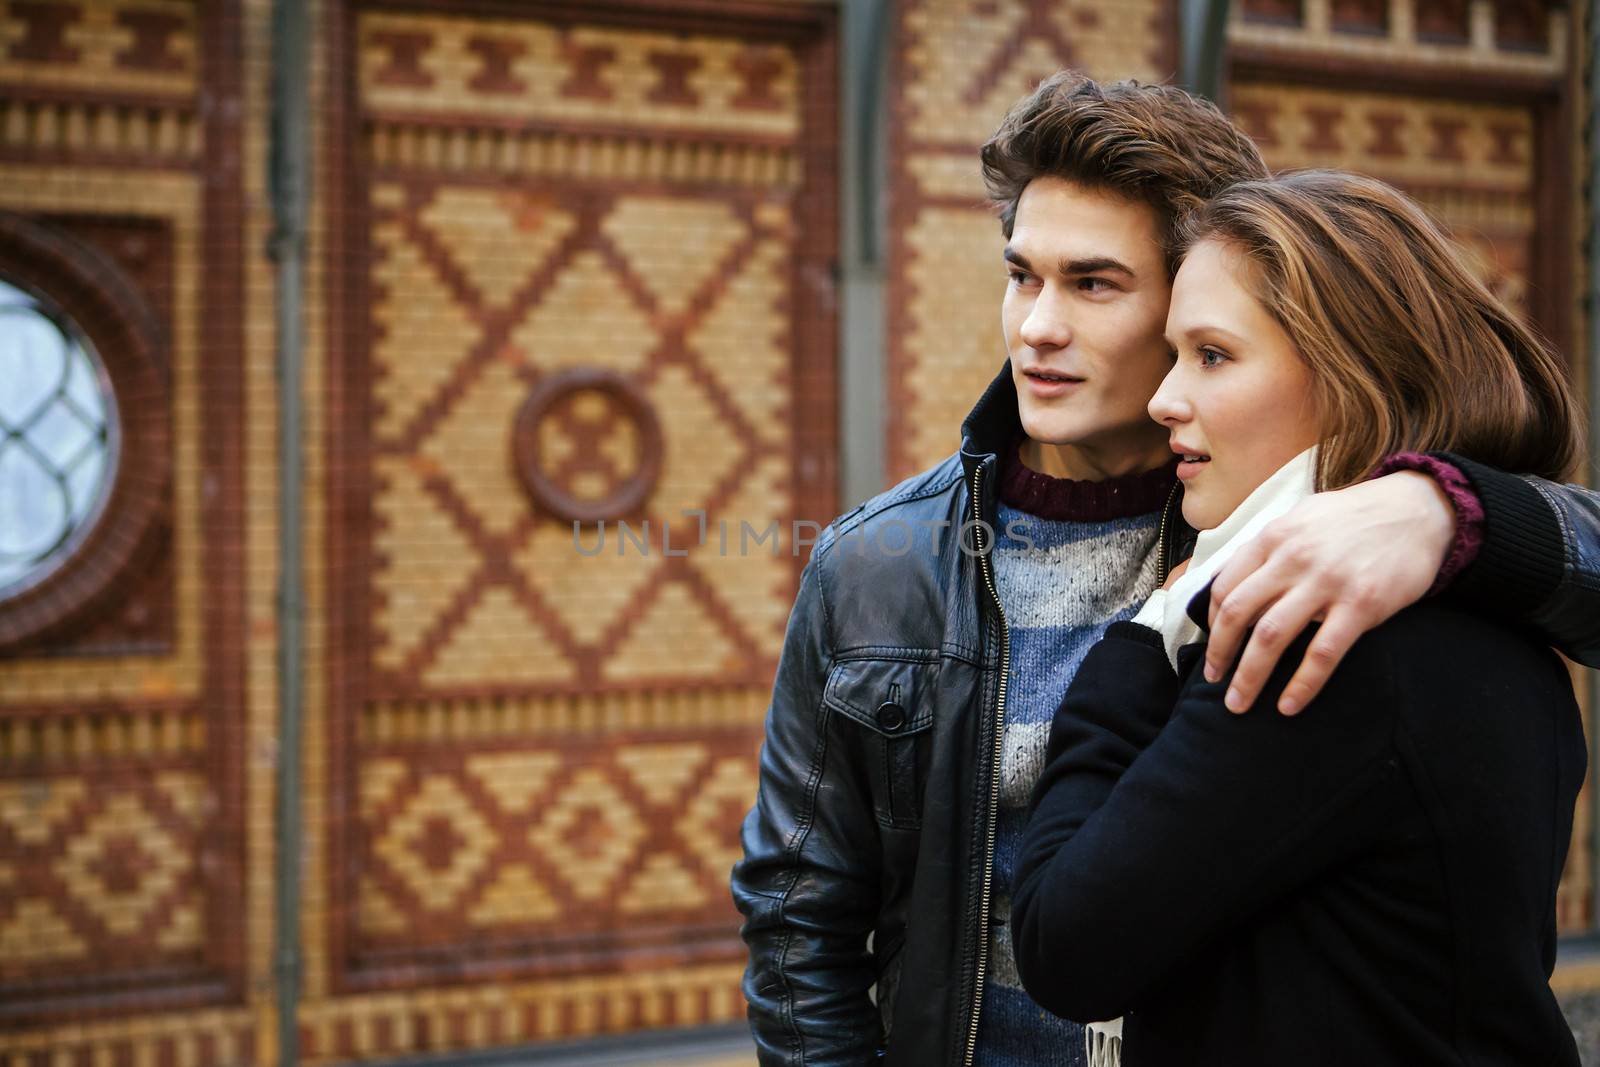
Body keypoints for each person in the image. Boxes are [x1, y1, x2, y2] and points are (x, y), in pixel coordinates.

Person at [731, 72, 1600, 1067]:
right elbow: (798, 912)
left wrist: (1444, 507)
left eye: (1092, 283)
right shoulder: (876, 564)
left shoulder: (1298, 529)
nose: (1034, 327)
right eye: (1022, 275)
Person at [1010, 169, 1587, 1066]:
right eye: (1173, 354)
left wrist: (1139, 639)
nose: (1165, 397)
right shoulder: (1480, 604)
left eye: (1212, 355)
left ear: (1350, 376)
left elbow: (1063, 944)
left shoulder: (1316, 637)